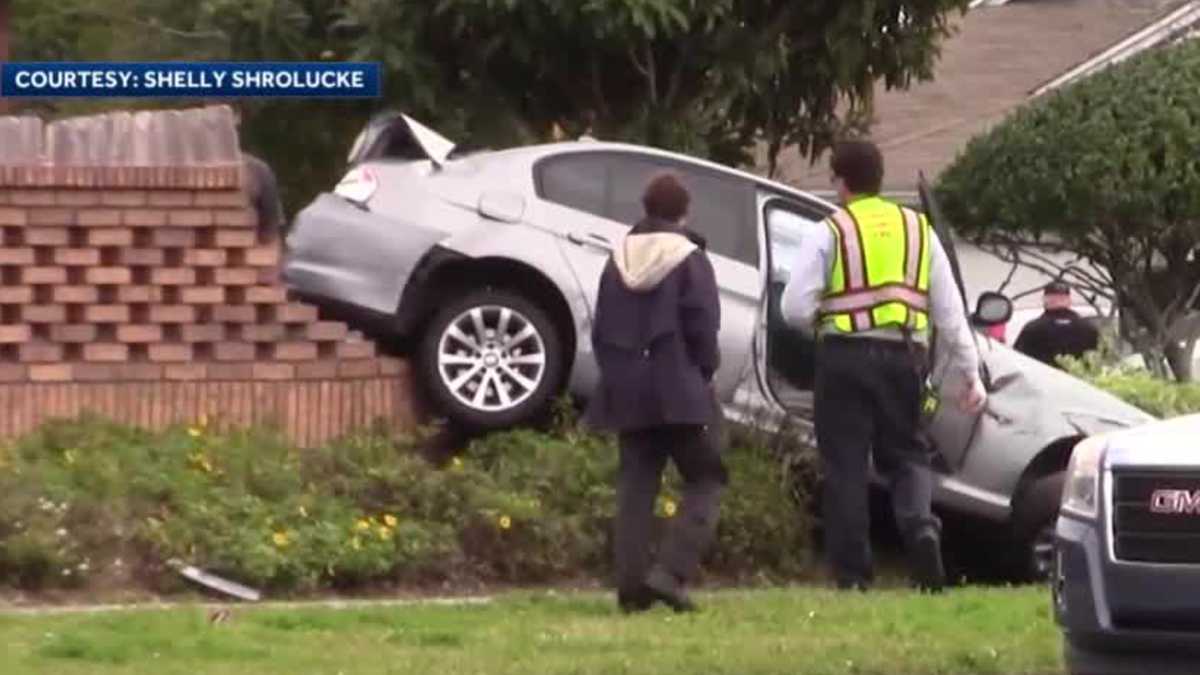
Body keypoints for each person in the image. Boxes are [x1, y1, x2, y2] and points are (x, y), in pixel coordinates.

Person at [779, 140, 987, 592]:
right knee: (909, 455)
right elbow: (951, 313)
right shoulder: (919, 231)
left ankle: (854, 576)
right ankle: (921, 528)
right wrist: (971, 374)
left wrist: (826, 318)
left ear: (840, 182)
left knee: (846, 464)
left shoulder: (830, 231)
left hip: (843, 358)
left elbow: (793, 308)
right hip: (904, 357)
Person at [585, 172, 727, 613]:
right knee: (707, 476)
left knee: (635, 486)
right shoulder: (689, 257)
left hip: (626, 387)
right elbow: (702, 325)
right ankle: (670, 573)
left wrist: (617, 374)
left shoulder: (617, 258)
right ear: (684, 212)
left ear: (645, 209)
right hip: (680, 388)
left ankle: (630, 590)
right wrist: (705, 371)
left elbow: (601, 328)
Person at [1014, 281, 1100, 368]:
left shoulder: (1032, 329)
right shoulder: (1089, 329)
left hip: (1042, 379)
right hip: (1079, 379)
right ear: (1069, 300)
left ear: (1045, 299)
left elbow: (1017, 360)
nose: (1058, 300)